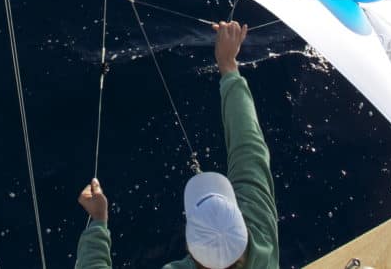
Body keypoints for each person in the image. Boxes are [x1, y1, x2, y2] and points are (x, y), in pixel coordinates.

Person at [75, 21, 279, 269]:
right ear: (243, 229)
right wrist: (228, 66)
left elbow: (249, 146)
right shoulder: (262, 235)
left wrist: (98, 221)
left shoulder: (259, 225)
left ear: (189, 248)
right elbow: (249, 146)